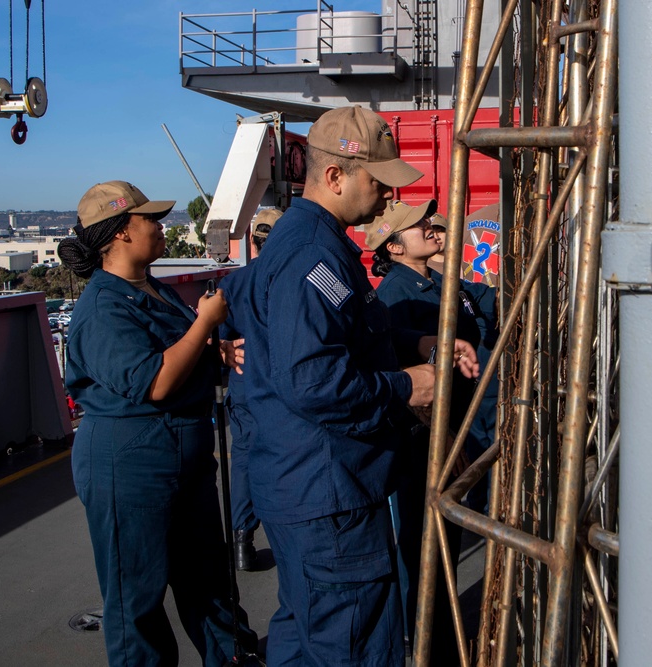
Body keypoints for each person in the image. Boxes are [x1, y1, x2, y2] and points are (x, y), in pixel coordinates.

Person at [230, 106, 477, 665]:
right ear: (336, 176)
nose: (389, 197)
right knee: (354, 642)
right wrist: (403, 388)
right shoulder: (312, 256)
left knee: (302, 635)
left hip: (303, 486)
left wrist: (413, 342)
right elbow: (313, 380)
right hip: (329, 494)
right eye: (378, 181)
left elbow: (336, 329)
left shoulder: (308, 242)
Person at [58, 180, 258, 666]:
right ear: (121, 233)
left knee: (209, 583)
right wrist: (206, 325)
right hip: (129, 464)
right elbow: (155, 381)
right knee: (136, 601)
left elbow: (180, 356)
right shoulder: (103, 307)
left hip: (181, 459)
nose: (160, 225)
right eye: (149, 219)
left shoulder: (153, 291)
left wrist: (217, 351)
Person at [364, 198, 497, 658]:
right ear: (394, 247)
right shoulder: (394, 297)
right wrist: (445, 442)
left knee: (445, 539)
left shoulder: (440, 283)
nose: (429, 226)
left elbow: (485, 302)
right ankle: (424, 640)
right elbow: (401, 377)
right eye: (416, 224)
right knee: (425, 544)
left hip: (455, 425)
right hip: (425, 438)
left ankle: (440, 635)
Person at [220, 207, 282, 571]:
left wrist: (226, 350)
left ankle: (242, 540)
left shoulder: (233, 284)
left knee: (243, 459)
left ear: (254, 243)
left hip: (246, 383)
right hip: (284, 385)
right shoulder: (293, 277)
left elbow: (216, 335)